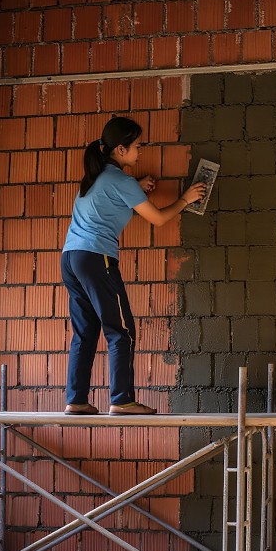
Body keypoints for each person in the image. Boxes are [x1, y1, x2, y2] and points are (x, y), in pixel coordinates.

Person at [61, 116, 206, 415]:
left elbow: (111, 199)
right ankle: (122, 400)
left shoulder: (97, 177)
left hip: (71, 258)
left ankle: (75, 400)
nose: (141, 152)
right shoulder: (120, 181)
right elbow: (158, 218)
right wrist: (185, 199)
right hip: (95, 258)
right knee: (121, 330)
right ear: (121, 149)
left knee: (85, 331)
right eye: (138, 146)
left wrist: (137, 187)